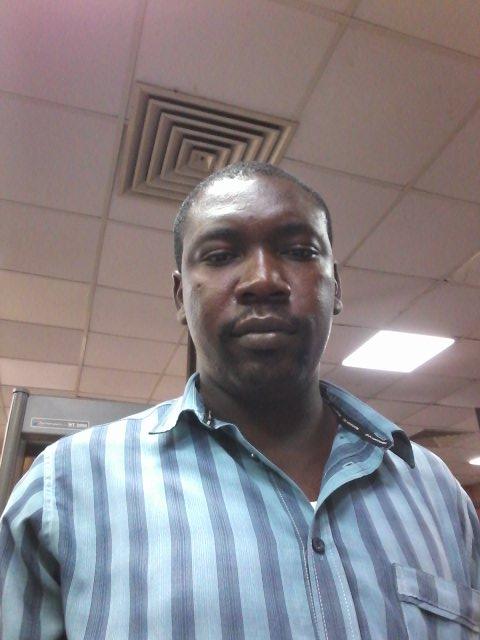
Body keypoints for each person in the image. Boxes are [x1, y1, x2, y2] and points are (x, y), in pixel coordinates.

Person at [0, 162, 479, 639]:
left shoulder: (436, 493)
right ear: (180, 296)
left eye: (299, 251)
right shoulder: (65, 491)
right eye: (221, 255)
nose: (264, 280)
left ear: (335, 287)